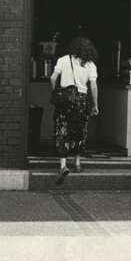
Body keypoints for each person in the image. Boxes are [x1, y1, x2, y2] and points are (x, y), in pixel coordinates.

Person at [50, 36, 99, 184]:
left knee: (62, 130)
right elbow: (94, 87)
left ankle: (63, 165)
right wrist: (95, 104)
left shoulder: (63, 60)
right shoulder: (90, 65)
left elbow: (53, 78)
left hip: (65, 100)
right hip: (82, 101)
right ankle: (77, 164)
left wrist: (56, 91)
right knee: (79, 131)